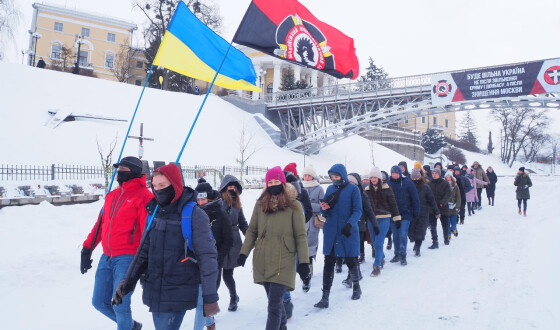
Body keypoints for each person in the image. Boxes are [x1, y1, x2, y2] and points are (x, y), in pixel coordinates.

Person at [112, 163, 220, 330]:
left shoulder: (194, 214)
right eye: (154, 186)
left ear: (175, 185)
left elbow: (208, 257)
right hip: (155, 289)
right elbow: (143, 252)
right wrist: (128, 283)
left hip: (178, 290)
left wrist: (210, 297)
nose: (157, 190)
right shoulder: (153, 212)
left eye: (162, 185)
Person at [81, 156, 153, 330]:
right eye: (118, 168)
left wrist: (145, 263)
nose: (119, 171)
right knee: (98, 302)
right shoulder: (112, 195)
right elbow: (100, 225)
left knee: (120, 304)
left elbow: (147, 233)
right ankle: (130, 325)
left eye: (123, 169)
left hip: (128, 258)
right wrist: (87, 248)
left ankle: (125, 325)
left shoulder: (144, 196)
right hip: (107, 256)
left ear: (135, 172)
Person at [238, 167, 309, 330]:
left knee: (274, 306)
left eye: (276, 181)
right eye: (270, 182)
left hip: (283, 261)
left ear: (283, 183)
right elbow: (252, 231)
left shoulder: (295, 206)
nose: (273, 184)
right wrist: (244, 253)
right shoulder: (260, 205)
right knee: (275, 304)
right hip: (263, 259)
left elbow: (300, 236)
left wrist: (304, 262)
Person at [314, 164, 363, 308]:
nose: (334, 179)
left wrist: (350, 223)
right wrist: (324, 210)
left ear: (343, 175)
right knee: (328, 263)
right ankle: (325, 297)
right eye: (332, 177)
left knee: (351, 261)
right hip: (331, 232)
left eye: (337, 176)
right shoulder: (329, 189)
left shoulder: (353, 189)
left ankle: (356, 286)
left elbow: (358, 210)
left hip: (347, 231)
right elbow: (326, 213)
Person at [194, 179, 233, 329]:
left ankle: (207, 322)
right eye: (198, 199)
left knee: (204, 301)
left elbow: (228, 240)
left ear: (210, 198)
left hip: (213, 264)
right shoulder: (194, 214)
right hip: (196, 263)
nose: (200, 202)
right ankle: (210, 323)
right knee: (201, 300)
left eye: (203, 199)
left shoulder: (221, 214)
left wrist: (217, 259)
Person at [282, 162, 313, 317]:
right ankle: (285, 299)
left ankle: (305, 278)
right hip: (281, 238)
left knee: (299, 264)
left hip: (297, 235)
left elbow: (308, 212)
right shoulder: (278, 192)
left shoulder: (301, 193)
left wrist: (297, 222)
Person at [218, 175, 248, 312]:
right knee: (215, 274)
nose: (232, 189)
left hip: (233, 242)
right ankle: (211, 302)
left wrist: (250, 236)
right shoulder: (217, 201)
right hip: (219, 241)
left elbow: (242, 223)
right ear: (224, 187)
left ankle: (233, 297)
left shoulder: (237, 204)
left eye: (235, 187)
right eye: (230, 186)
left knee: (227, 274)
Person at [343, 173, 378, 286]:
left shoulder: (362, 195)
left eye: (353, 182)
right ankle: (357, 273)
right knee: (351, 252)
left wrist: (375, 224)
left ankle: (350, 277)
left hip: (359, 226)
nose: (350, 185)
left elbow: (369, 211)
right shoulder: (343, 194)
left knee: (353, 253)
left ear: (357, 183)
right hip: (347, 227)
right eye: (349, 182)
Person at [364, 166, 400, 276]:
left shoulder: (387, 189)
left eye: (375, 177)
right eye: (371, 177)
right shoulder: (367, 190)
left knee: (379, 242)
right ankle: (382, 258)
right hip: (372, 219)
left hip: (384, 218)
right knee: (374, 242)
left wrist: (397, 217)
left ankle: (377, 266)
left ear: (379, 178)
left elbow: (393, 204)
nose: (373, 179)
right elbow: (365, 206)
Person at [387, 165, 420, 265]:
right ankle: (397, 253)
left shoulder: (408, 183)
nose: (395, 175)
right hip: (393, 214)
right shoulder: (388, 184)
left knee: (403, 234)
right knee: (395, 235)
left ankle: (403, 254)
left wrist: (416, 212)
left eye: (397, 173)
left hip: (405, 213)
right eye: (393, 173)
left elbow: (415, 198)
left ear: (400, 173)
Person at [302, 165, 325, 286]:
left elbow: (323, 206)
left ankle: (309, 269)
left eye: (309, 175)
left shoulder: (319, 188)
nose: (307, 177)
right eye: (305, 175)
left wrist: (309, 206)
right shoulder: (299, 187)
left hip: (313, 221)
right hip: (301, 220)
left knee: (311, 246)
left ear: (313, 176)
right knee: (301, 245)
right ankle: (303, 269)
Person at [409, 168, 439, 257]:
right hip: (411, 212)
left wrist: (436, 211)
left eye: (416, 178)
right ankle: (415, 243)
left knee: (420, 231)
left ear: (420, 177)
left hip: (423, 212)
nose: (415, 180)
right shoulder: (409, 187)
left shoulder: (425, 187)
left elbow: (432, 200)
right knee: (411, 231)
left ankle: (418, 248)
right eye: (413, 179)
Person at [427, 168, 451, 249]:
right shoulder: (429, 184)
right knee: (433, 226)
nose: (434, 175)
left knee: (445, 225)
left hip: (443, 207)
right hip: (432, 208)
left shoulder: (445, 183)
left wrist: (442, 202)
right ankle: (435, 242)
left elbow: (448, 194)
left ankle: (446, 238)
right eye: (433, 173)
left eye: (435, 173)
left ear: (439, 174)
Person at [445, 171, 462, 240]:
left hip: (454, 207)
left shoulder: (455, 186)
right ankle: (449, 234)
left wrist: (457, 206)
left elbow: (458, 197)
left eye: (449, 177)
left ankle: (454, 229)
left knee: (453, 222)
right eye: (447, 177)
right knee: (447, 222)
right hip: (446, 207)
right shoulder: (444, 185)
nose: (448, 178)